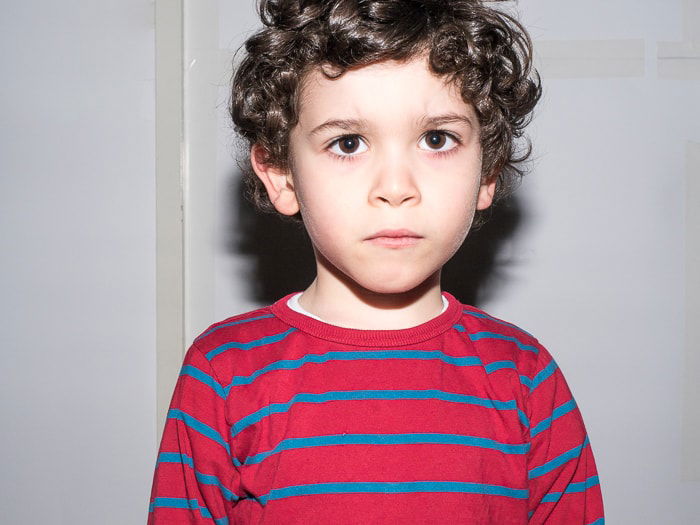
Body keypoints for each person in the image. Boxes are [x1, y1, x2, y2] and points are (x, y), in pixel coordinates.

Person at [148, 0, 604, 523]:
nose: (395, 188)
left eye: (437, 140)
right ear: (281, 175)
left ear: (487, 173)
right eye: (348, 143)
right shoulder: (223, 375)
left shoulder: (526, 378)